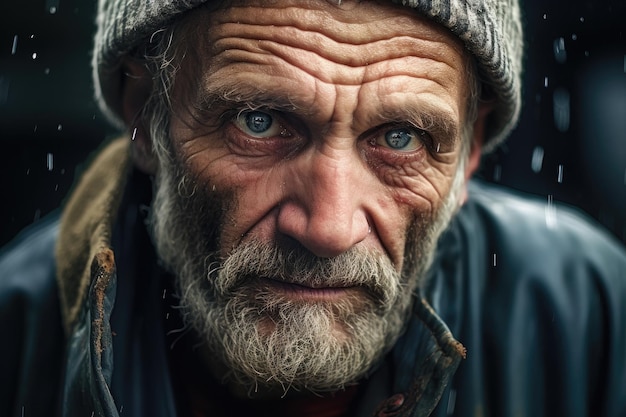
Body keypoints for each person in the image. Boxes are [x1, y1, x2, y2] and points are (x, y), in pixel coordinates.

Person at [1, 0, 625, 416]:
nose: (329, 227)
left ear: (470, 151)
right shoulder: (14, 338)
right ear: (147, 117)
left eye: (401, 137)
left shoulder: (589, 314)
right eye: (260, 121)